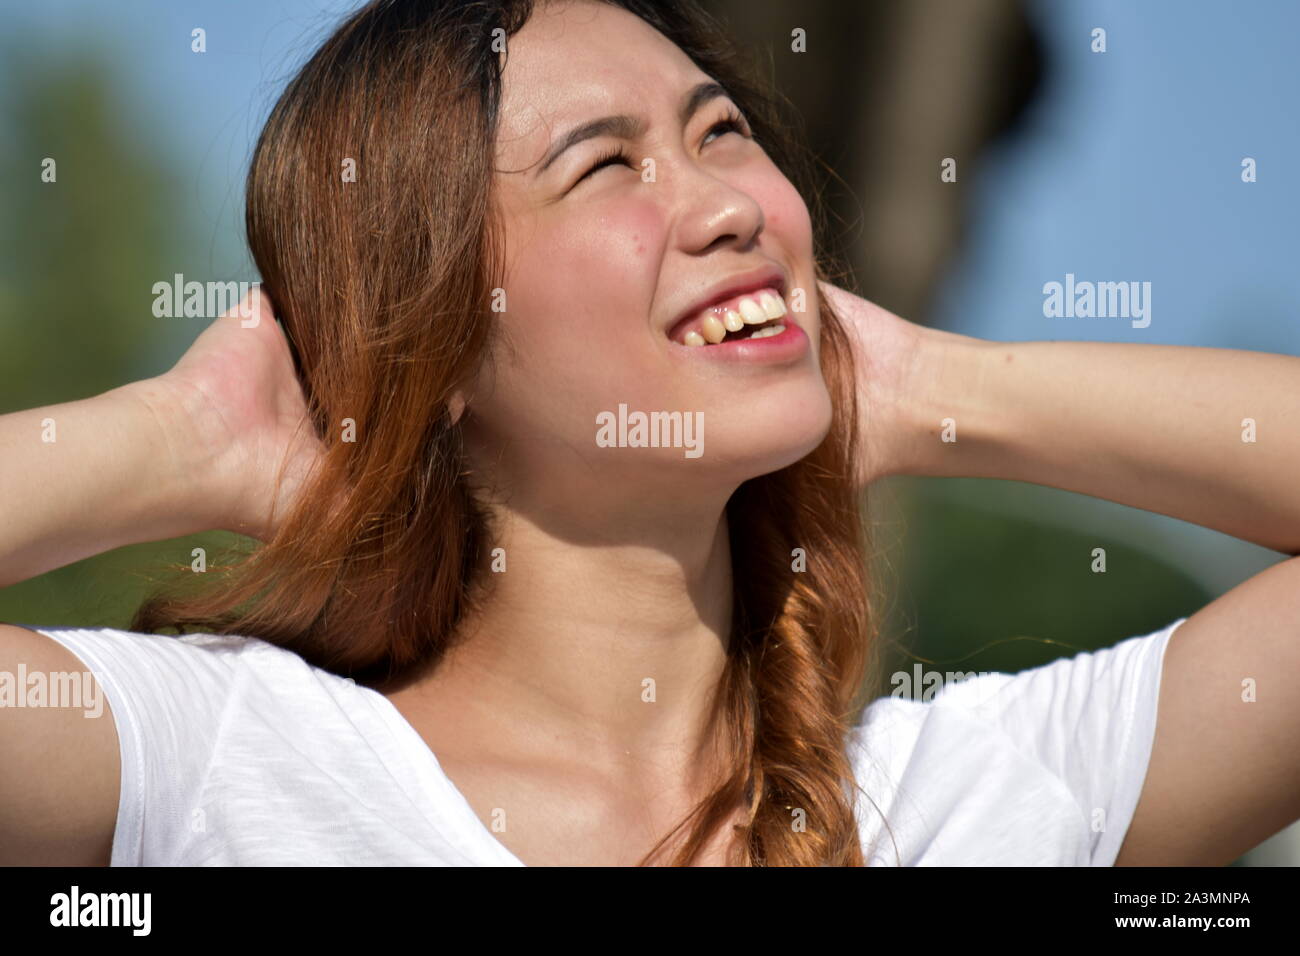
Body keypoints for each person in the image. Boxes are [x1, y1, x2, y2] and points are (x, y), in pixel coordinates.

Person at [3, 0, 1298, 867]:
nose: (728, 206)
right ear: (437, 333)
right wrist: (175, 441)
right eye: (606, 165)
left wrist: (929, 390)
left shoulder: (974, 798)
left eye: (721, 133)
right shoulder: (217, 761)